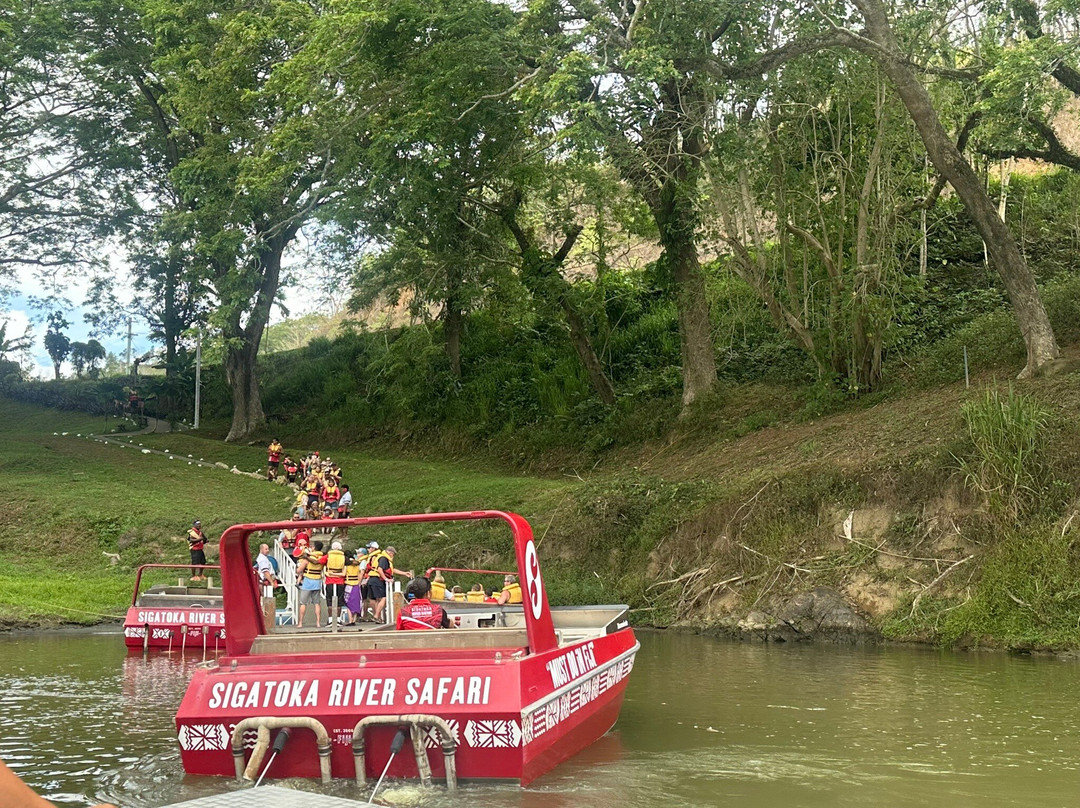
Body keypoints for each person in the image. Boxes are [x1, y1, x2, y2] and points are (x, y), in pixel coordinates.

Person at [296, 540, 326, 628]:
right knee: (317, 603)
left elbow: (299, 570)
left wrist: (298, 567)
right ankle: (318, 623)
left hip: (308, 581)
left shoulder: (307, 559)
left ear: (314, 548)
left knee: (303, 603)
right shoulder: (322, 558)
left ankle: (300, 623)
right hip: (317, 581)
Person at [324, 541, 348, 626]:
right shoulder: (344, 557)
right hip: (340, 581)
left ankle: (330, 620)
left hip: (329, 581)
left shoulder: (328, 556)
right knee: (339, 602)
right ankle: (338, 619)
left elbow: (320, 562)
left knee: (330, 601)